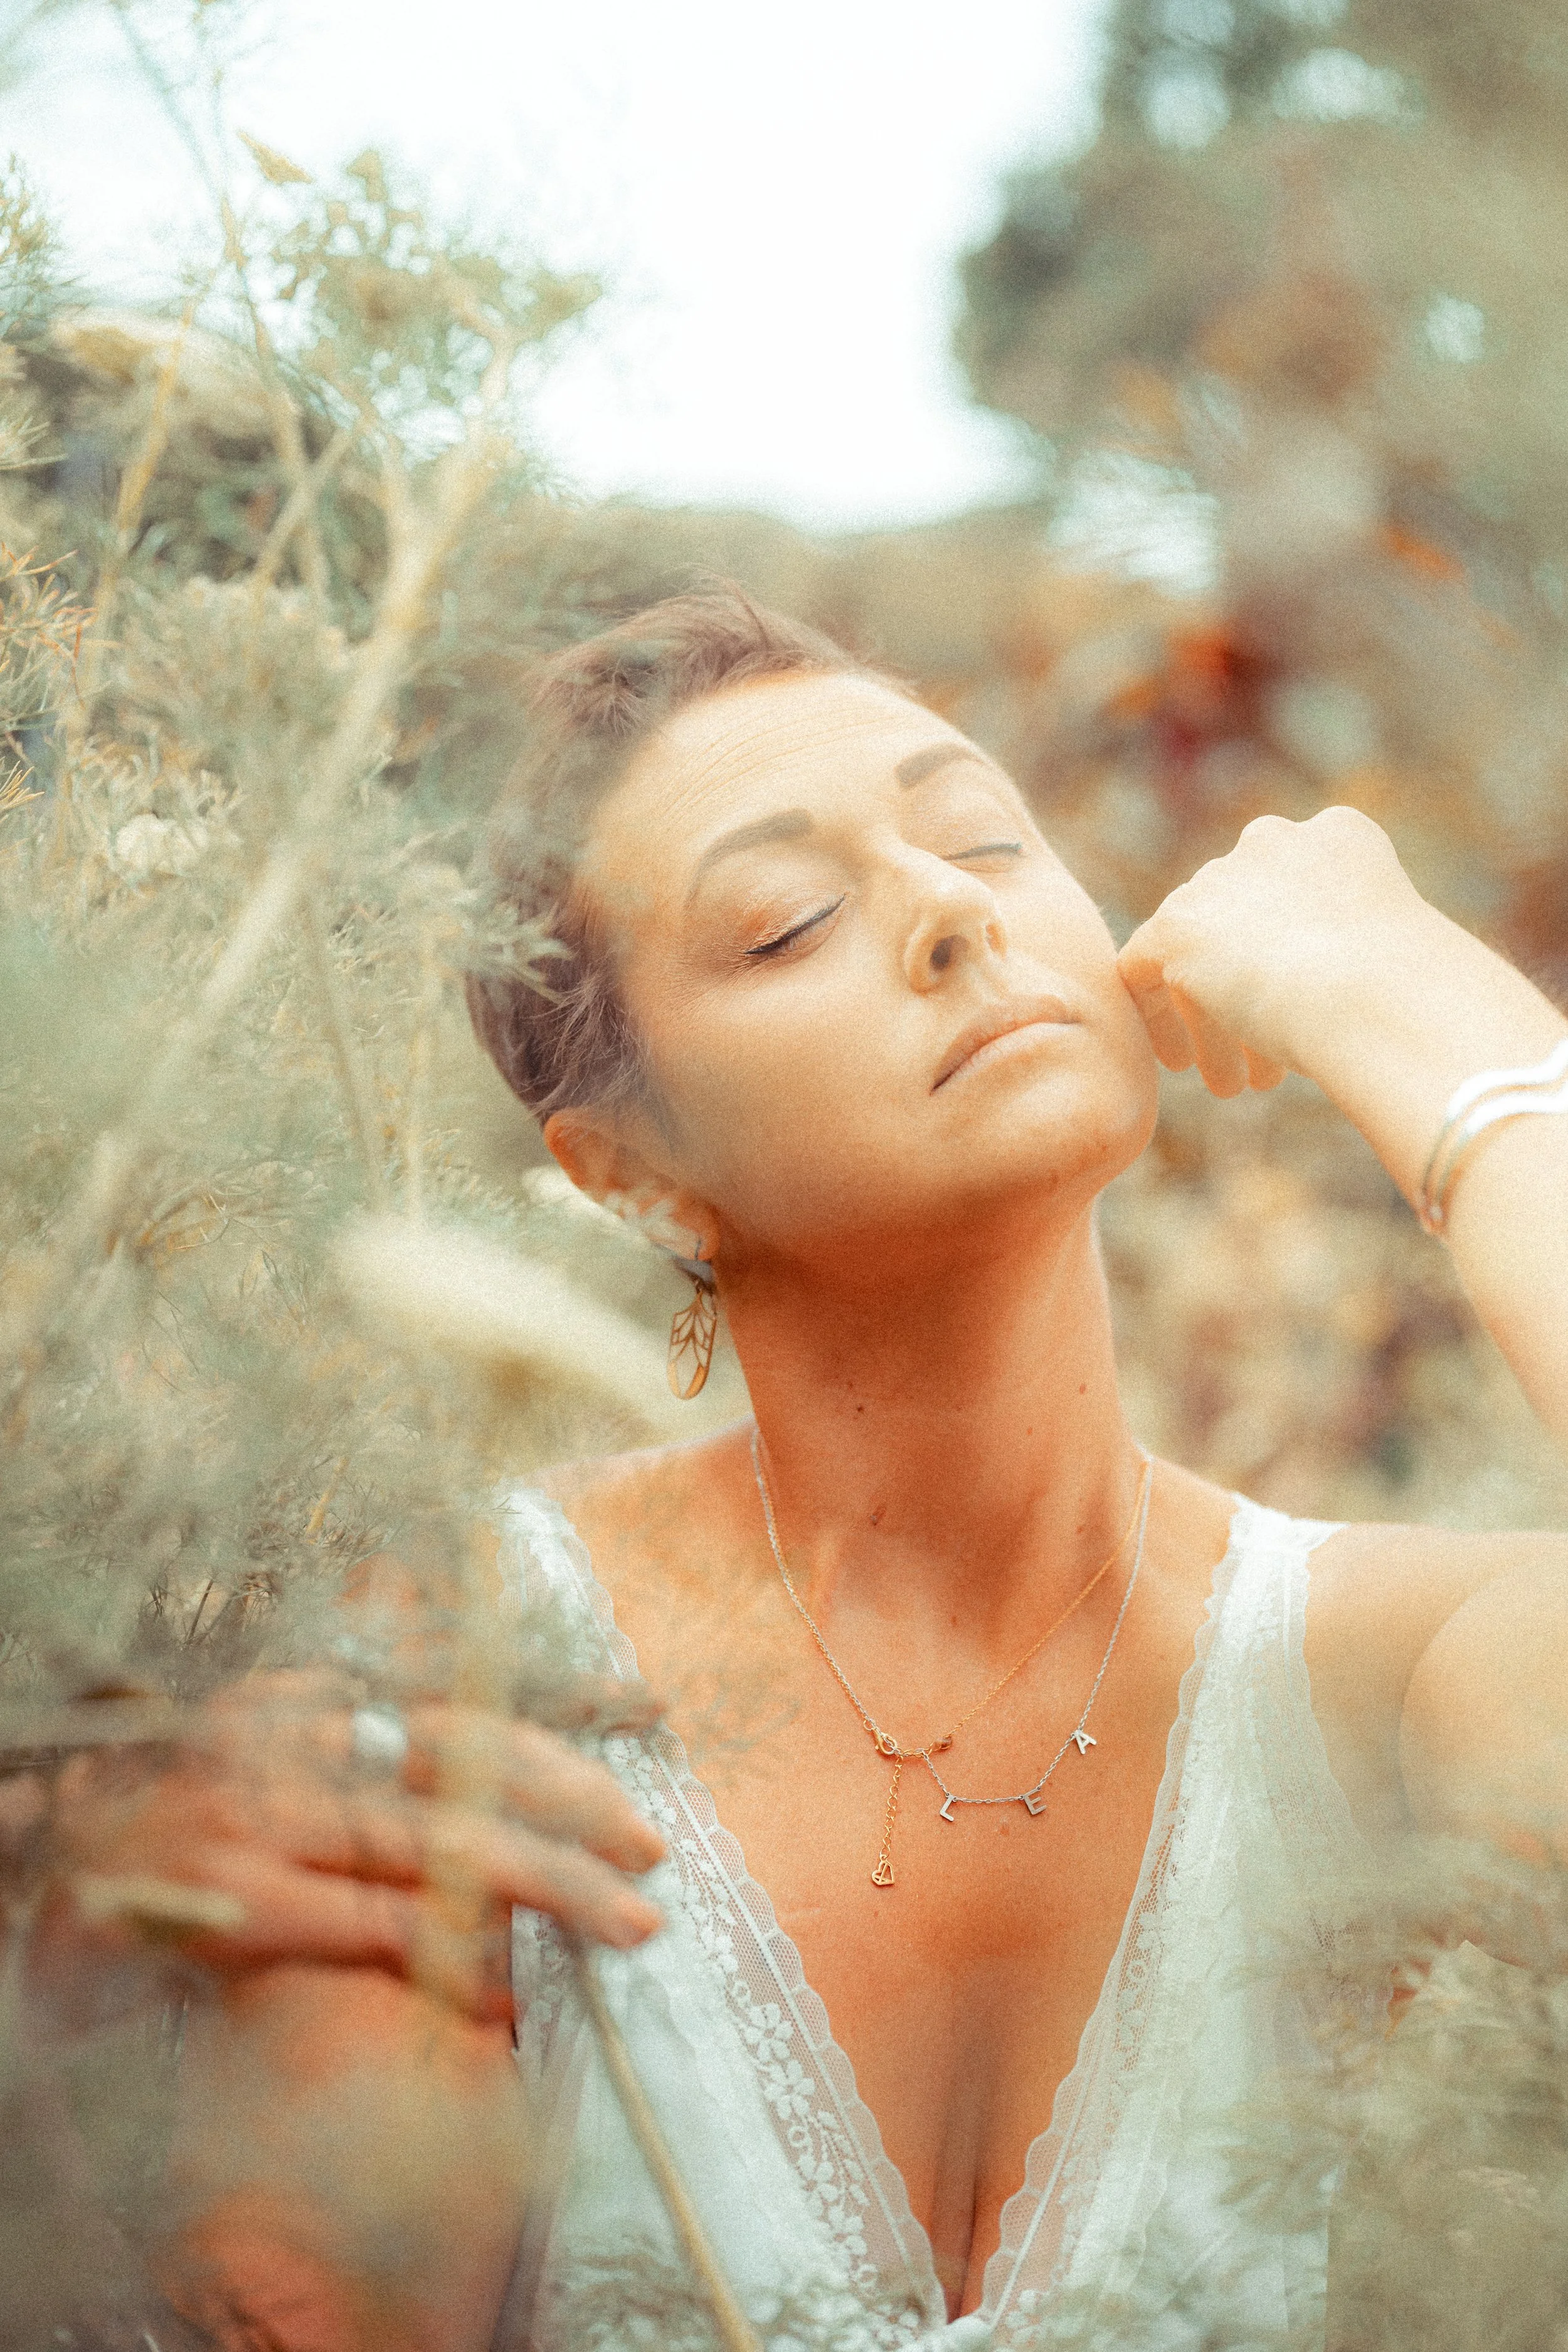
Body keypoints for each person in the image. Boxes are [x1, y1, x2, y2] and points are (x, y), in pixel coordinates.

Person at [41, 588, 1568, 2350]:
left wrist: (1431, 1019)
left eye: (983, 837)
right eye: (785, 924)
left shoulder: (1399, 1669)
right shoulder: (475, 1682)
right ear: (627, 1177)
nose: (944, 912)